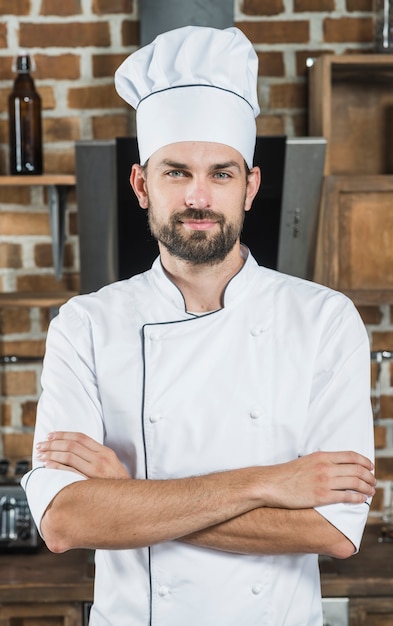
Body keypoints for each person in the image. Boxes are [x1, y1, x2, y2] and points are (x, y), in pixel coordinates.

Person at [22, 26, 375, 626]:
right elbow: (64, 522)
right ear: (141, 185)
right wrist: (273, 483)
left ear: (251, 187)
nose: (200, 196)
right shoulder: (84, 325)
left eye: (222, 173)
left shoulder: (324, 320)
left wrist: (131, 494)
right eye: (176, 172)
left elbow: (333, 532)